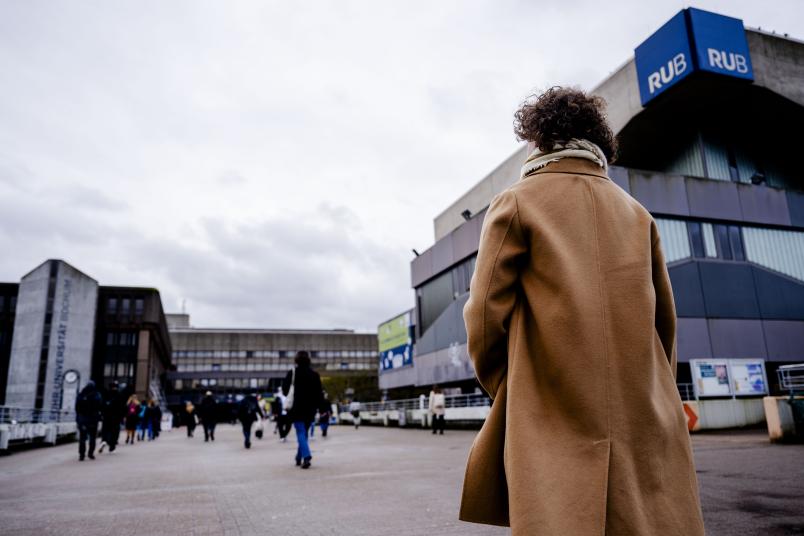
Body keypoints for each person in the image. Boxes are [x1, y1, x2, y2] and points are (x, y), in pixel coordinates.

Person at [459, 87, 705, 535]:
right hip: (640, 409)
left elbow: (483, 316)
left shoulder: (518, 201)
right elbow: (664, 323)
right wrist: (655, 393)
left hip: (551, 402)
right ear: (597, 142)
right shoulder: (637, 214)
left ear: (540, 139)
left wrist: (511, 384)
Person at [282, 351, 323, 469]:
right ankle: (299, 457)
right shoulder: (315, 375)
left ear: (296, 360)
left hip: (297, 408)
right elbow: (319, 394)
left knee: (300, 432)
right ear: (308, 360)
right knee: (303, 433)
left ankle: (306, 456)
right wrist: (321, 409)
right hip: (310, 409)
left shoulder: (292, 373)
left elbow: (285, 391)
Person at [75, 380, 103, 461]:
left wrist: (78, 418)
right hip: (93, 419)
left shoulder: (81, 394)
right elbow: (100, 406)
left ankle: (81, 455)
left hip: (82, 419)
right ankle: (90, 453)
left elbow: (77, 407)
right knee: (92, 437)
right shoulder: (97, 395)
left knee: (82, 438)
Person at [98, 381, 125, 453]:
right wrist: (122, 417)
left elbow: (101, 405)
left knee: (105, 429)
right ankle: (112, 445)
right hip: (116, 417)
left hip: (106, 416)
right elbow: (122, 407)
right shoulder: (119, 395)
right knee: (115, 431)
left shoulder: (106, 394)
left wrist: (102, 414)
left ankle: (104, 440)